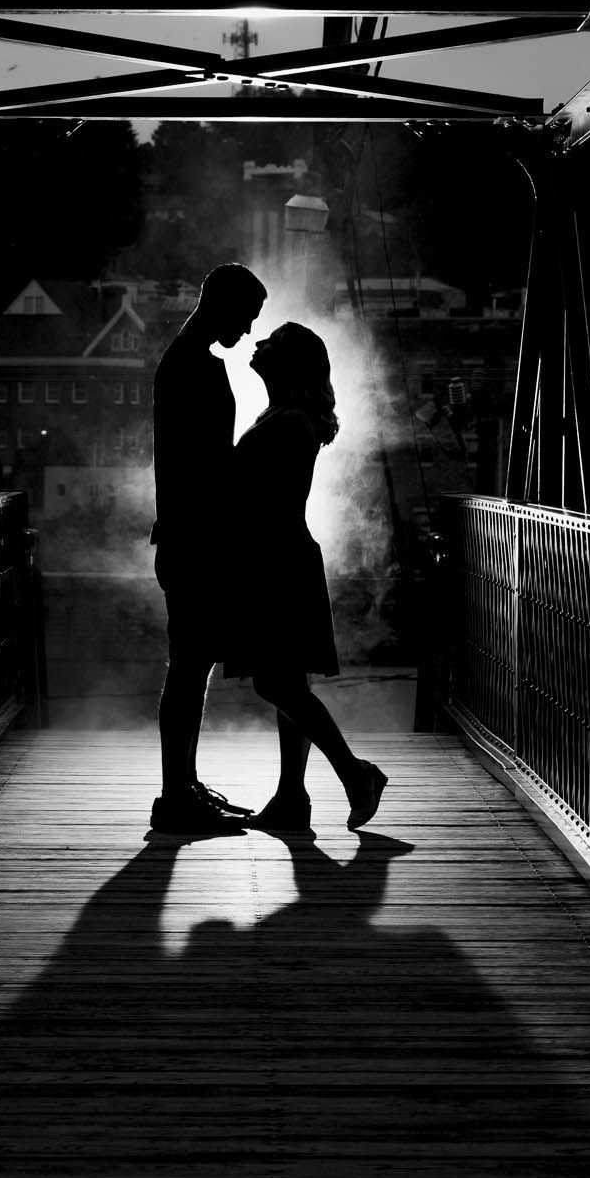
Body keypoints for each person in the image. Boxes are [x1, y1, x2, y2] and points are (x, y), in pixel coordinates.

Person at [224, 321, 387, 833]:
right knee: (287, 680)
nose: (258, 343)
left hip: (277, 560)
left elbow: (262, 498)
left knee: (277, 682)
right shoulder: (285, 416)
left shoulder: (290, 422)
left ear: (289, 362)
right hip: (278, 556)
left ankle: (354, 774)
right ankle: (292, 797)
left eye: (271, 341)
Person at [150, 262, 268, 835]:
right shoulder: (193, 365)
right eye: (246, 317)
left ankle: (183, 785)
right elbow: (204, 465)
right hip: (196, 538)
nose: (248, 331)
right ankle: (176, 796)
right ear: (222, 304)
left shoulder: (186, 359)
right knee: (190, 665)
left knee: (191, 664)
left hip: (187, 533)